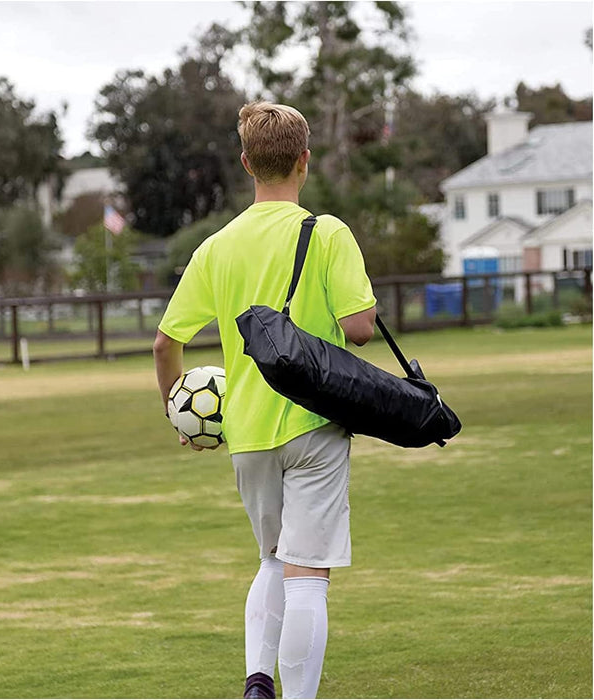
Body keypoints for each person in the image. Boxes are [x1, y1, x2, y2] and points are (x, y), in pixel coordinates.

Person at [153, 101, 376, 699]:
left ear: (247, 162)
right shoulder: (328, 233)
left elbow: (165, 343)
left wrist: (179, 410)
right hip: (316, 423)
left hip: (245, 432)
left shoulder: (216, 246)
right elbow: (359, 328)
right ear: (305, 161)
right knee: (307, 577)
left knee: (273, 559)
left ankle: (257, 684)